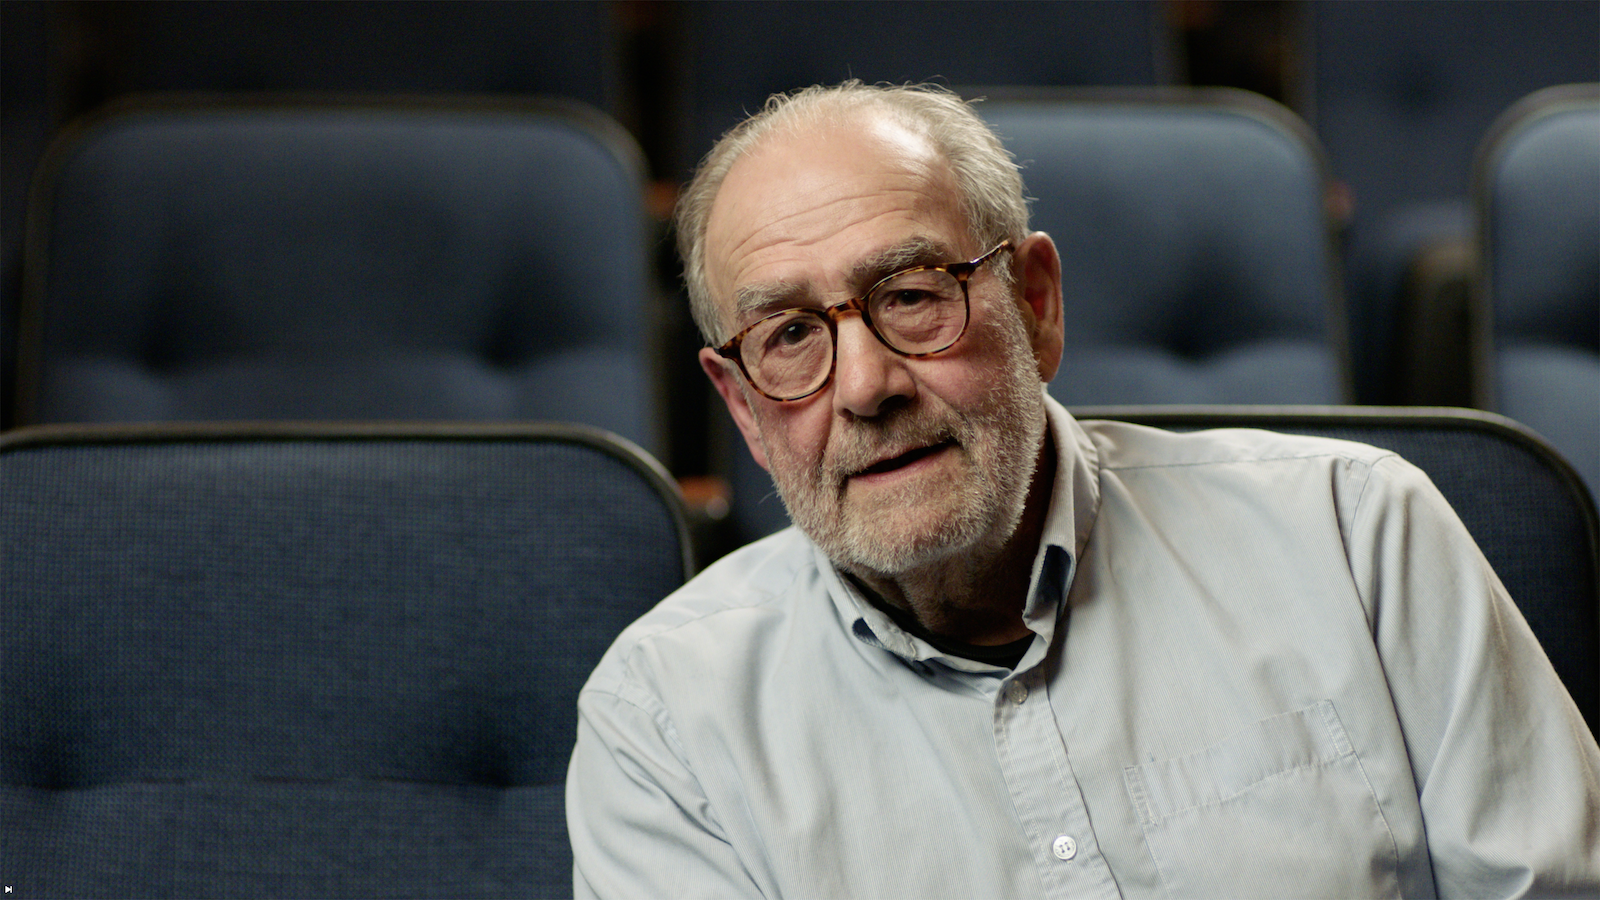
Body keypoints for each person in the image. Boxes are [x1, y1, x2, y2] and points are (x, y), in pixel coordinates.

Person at [566, 81, 1600, 898]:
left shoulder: (1358, 536)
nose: (868, 385)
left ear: (1035, 305)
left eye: (913, 296)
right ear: (743, 407)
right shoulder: (667, 720)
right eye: (789, 337)